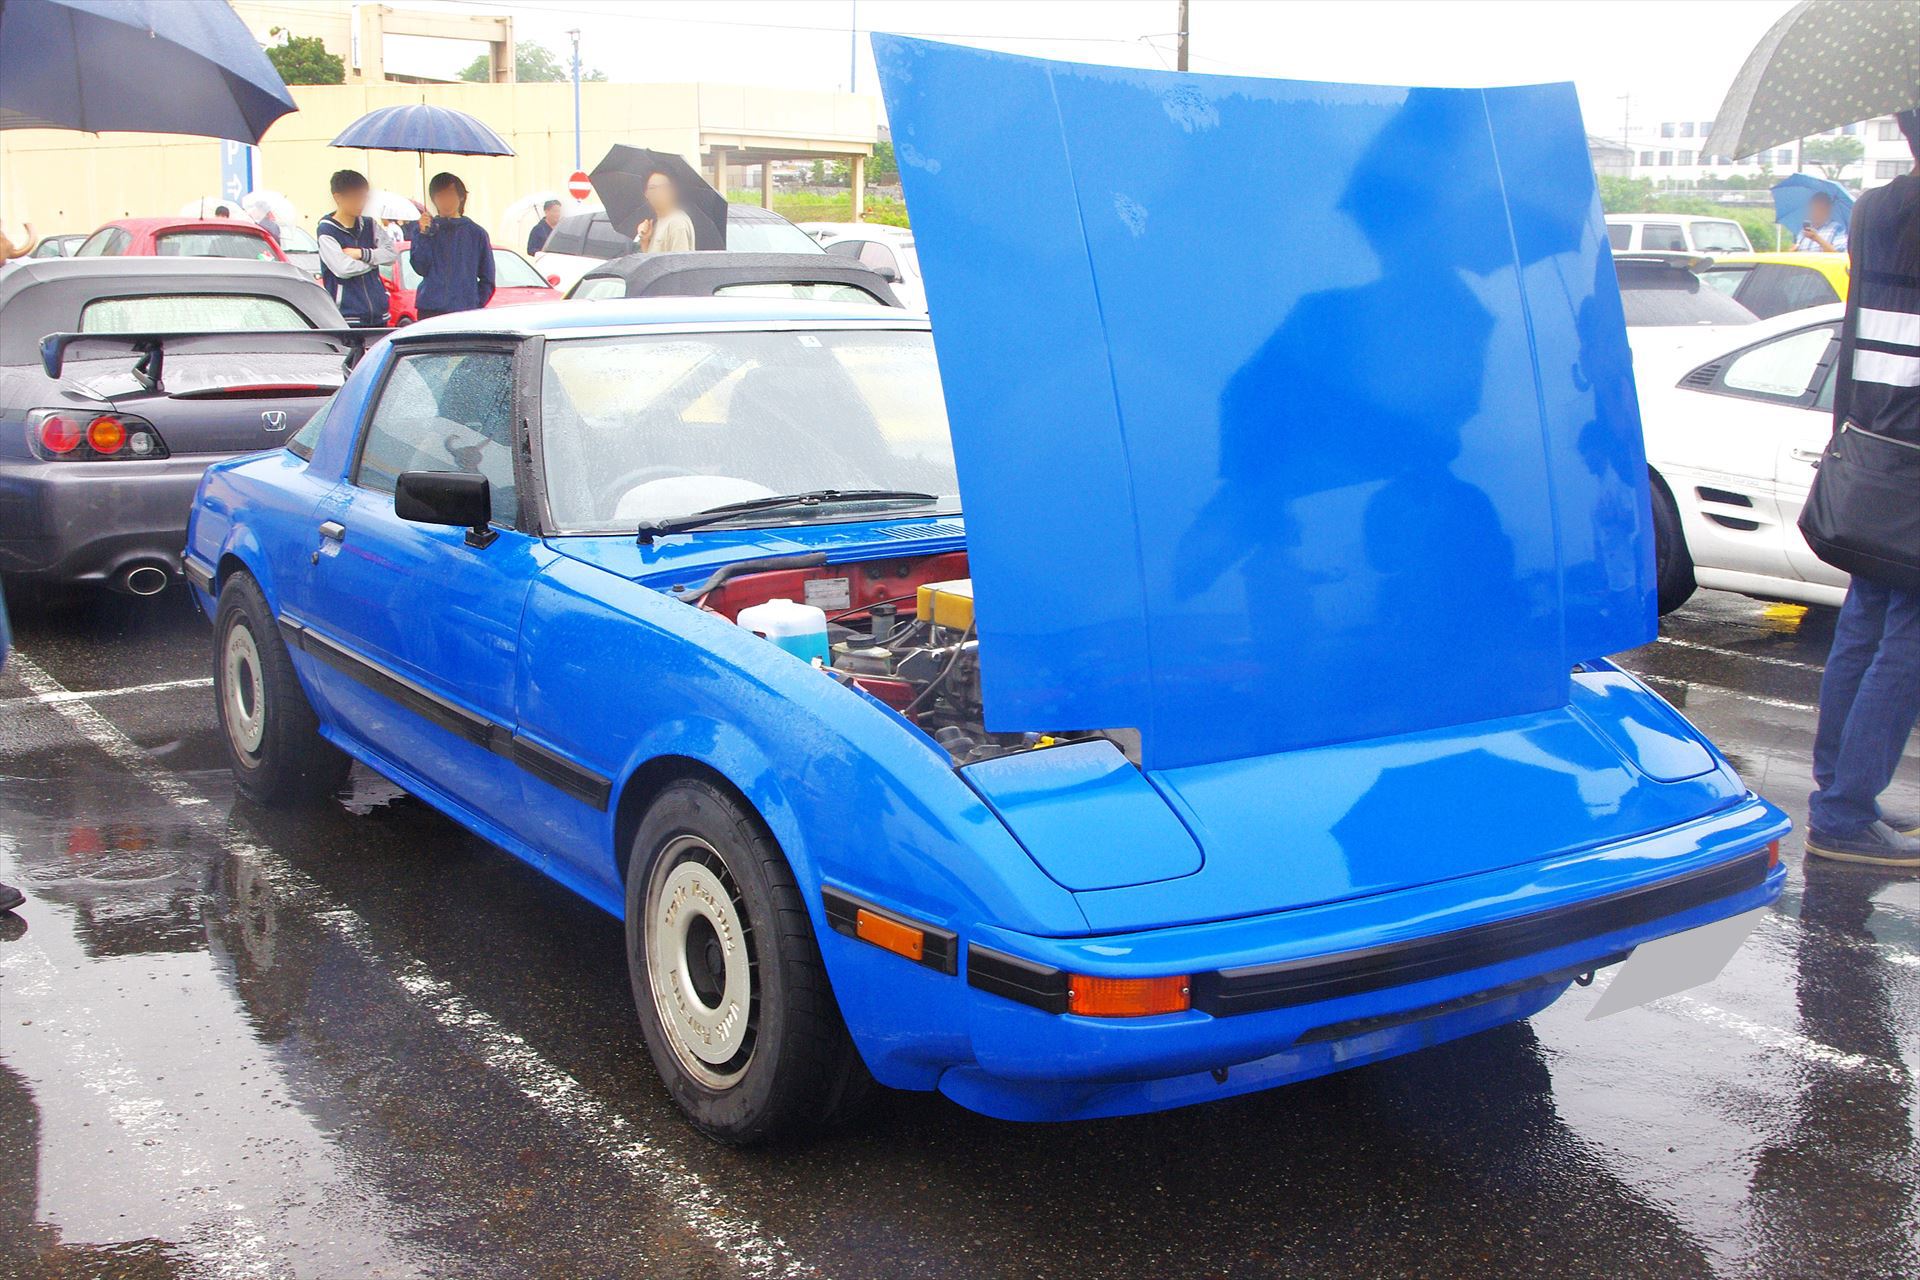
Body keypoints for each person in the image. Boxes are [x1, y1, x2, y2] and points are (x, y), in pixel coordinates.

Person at [1806, 109, 1920, 869]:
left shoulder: (1876, 209)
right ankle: (1845, 812)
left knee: (1865, 624)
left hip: (1874, 443)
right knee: (1907, 642)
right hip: (1915, 452)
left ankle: (1841, 793)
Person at [316, 169, 398, 328]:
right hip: (348, 316)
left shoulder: (369, 225)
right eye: (355, 197)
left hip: (379, 314)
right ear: (338, 198)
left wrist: (362, 253)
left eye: (364, 197)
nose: (360, 202)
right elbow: (343, 268)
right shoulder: (327, 230)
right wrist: (374, 261)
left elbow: (391, 254)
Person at [410, 172, 495, 320]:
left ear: (461, 197)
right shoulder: (425, 229)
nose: (445, 200)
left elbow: (487, 278)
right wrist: (424, 234)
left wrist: (475, 303)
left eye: (450, 194)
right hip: (430, 310)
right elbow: (420, 267)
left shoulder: (476, 233)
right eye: (440, 196)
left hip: (465, 311)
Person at [639, 171, 696, 253]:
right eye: (652, 188)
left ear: (673, 191)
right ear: (646, 193)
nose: (658, 193)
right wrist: (645, 240)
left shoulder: (677, 223)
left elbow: (680, 260)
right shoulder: (657, 222)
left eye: (664, 187)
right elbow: (651, 259)